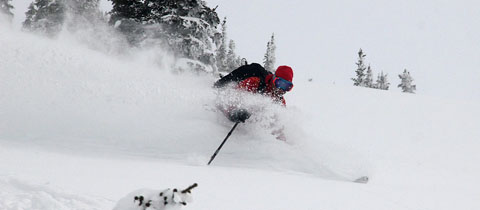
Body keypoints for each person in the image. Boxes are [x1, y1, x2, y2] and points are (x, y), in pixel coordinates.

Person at [213, 63, 294, 140]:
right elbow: (229, 98)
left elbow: (278, 129)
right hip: (227, 128)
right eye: (279, 83)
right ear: (273, 78)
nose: (281, 89)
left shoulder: (280, 102)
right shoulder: (255, 83)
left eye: (287, 86)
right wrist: (234, 113)